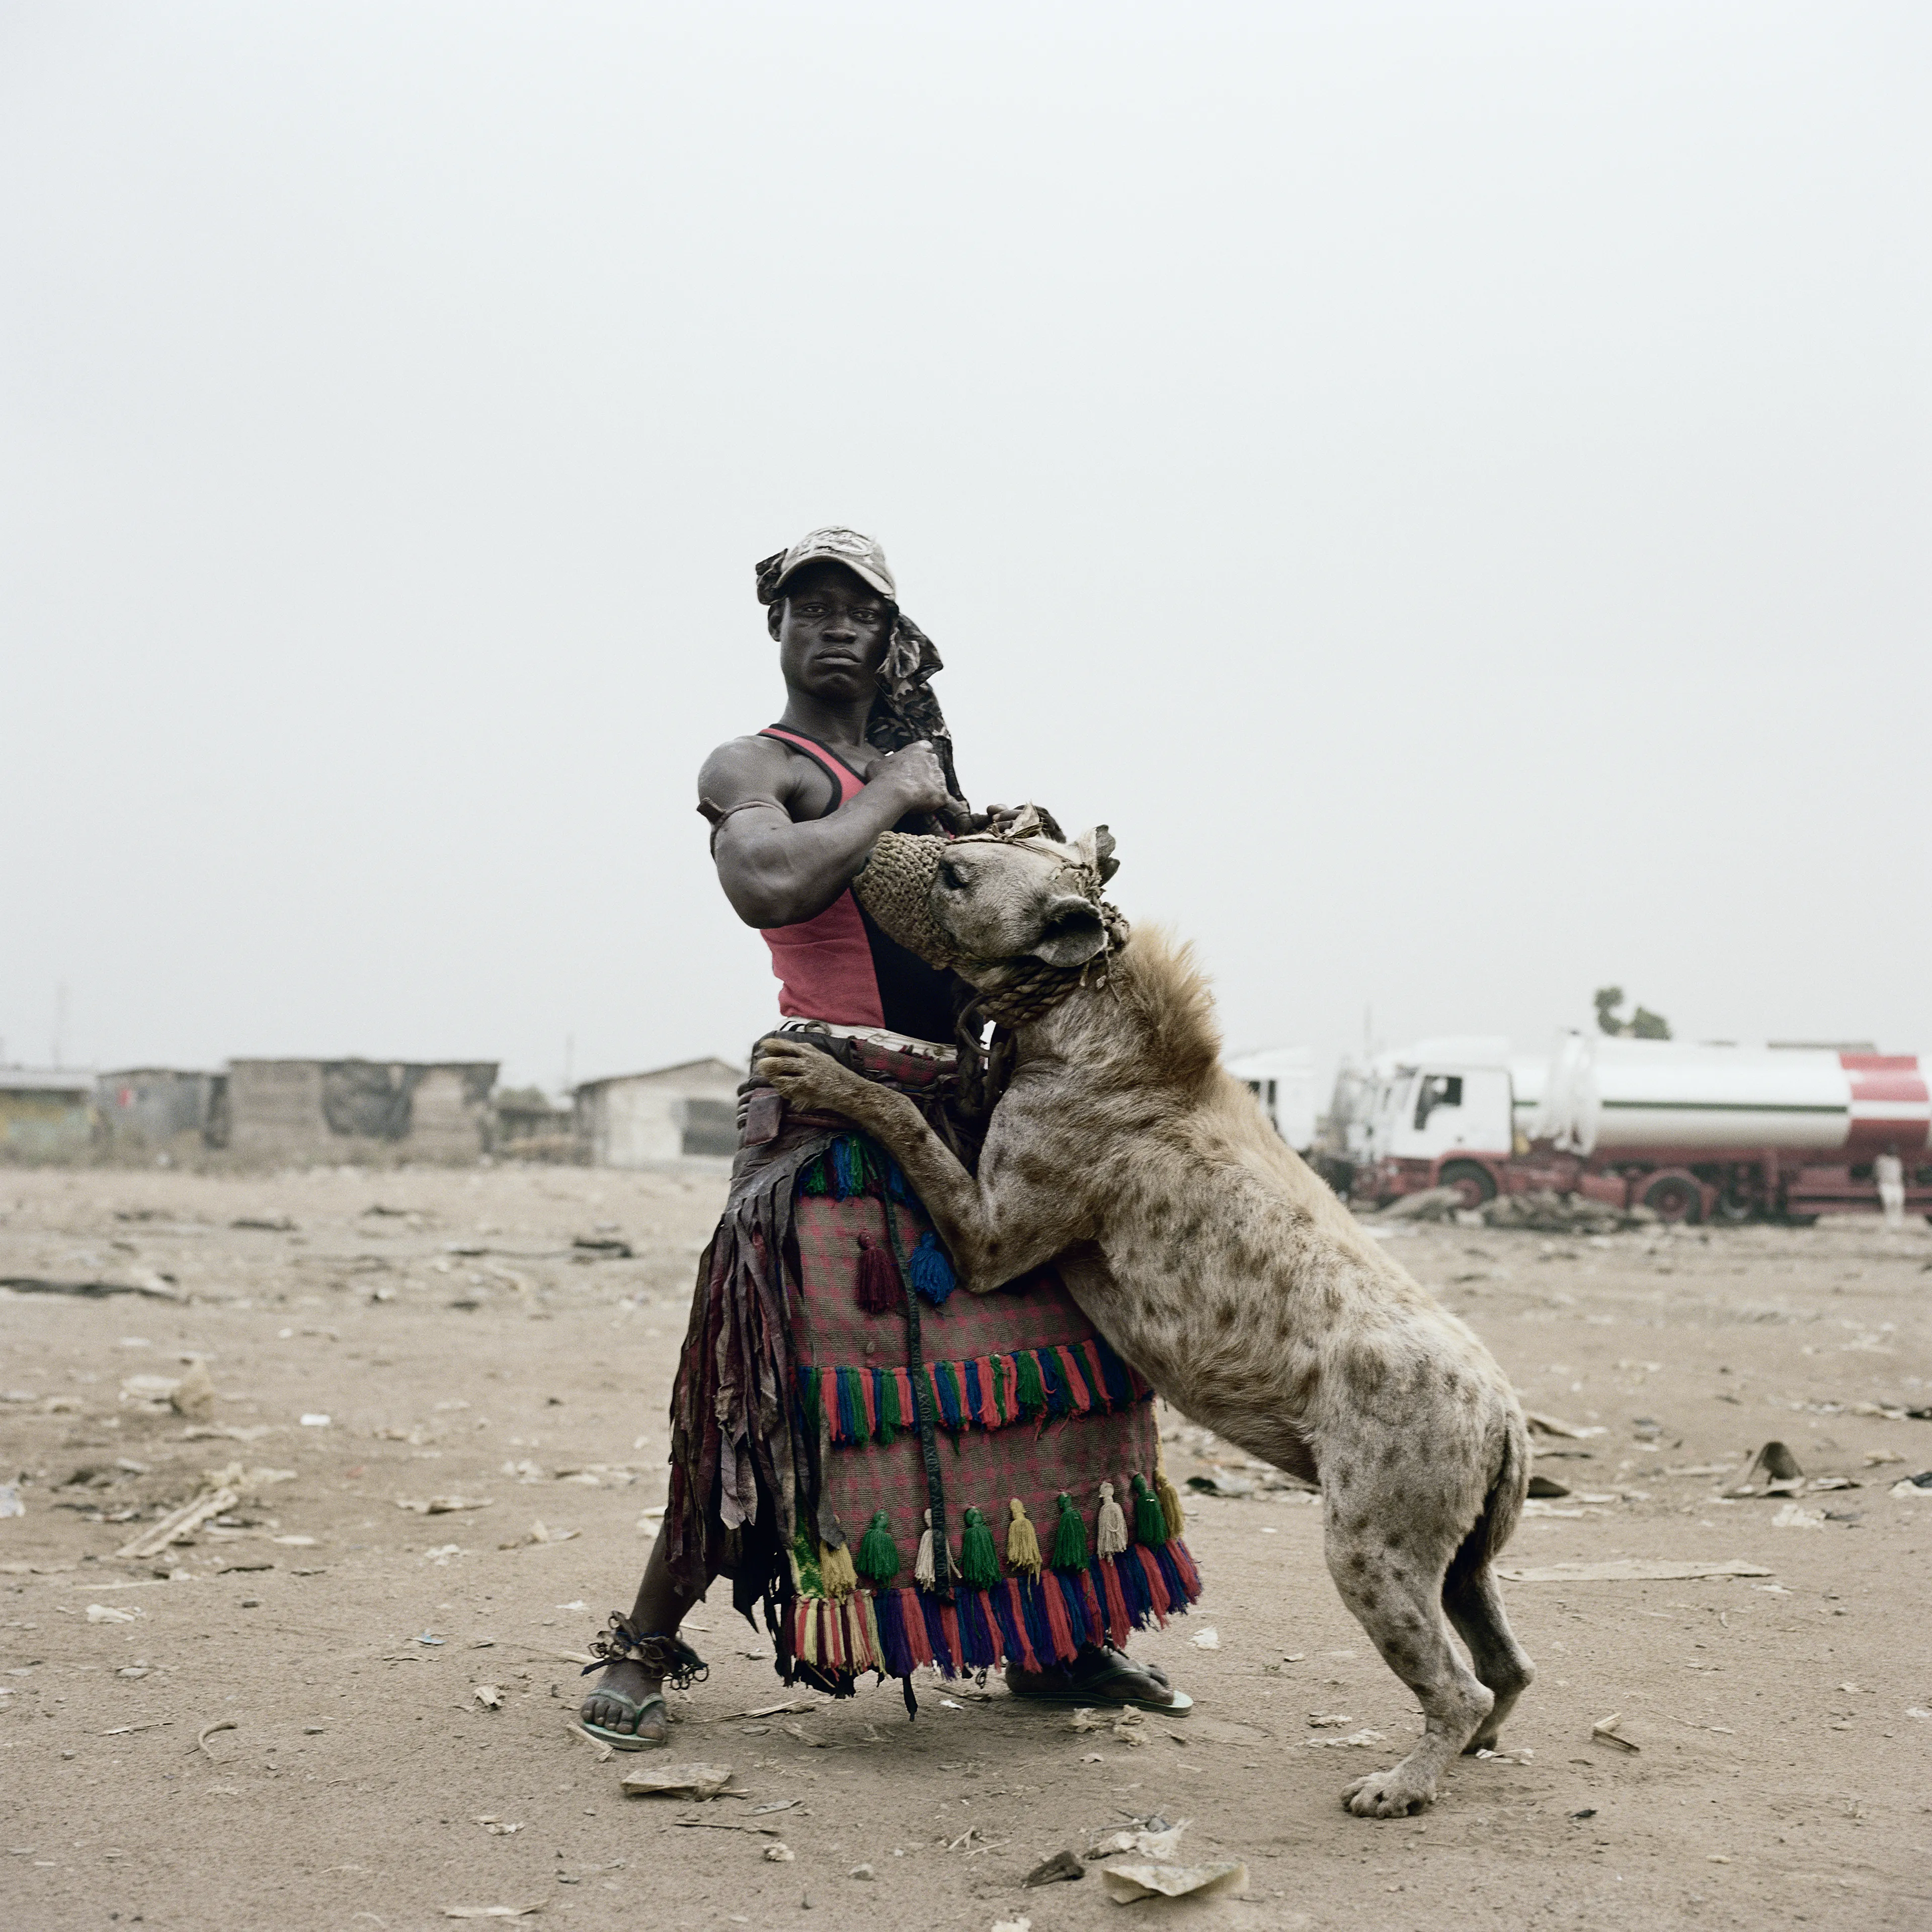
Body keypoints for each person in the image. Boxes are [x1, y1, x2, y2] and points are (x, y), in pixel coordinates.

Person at [578, 528, 1197, 1748]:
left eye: (858, 608)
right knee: (761, 1399)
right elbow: (766, 883)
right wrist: (898, 797)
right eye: (809, 606)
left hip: (969, 1119)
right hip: (827, 1120)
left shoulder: (927, 768)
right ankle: (644, 1646)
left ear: (893, 633)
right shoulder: (758, 763)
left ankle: (1062, 1641)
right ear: (778, 631)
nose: (834, 625)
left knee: (1061, 1370)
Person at [1875, 1143, 1905, 1231]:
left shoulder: (1897, 1161)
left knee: (1899, 1202)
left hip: (1897, 1185)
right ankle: (1890, 1223)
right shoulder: (1881, 1159)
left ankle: (1898, 1224)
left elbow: (1900, 1174)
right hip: (1885, 1184)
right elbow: (1877, 1173)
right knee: (1888, 1202)